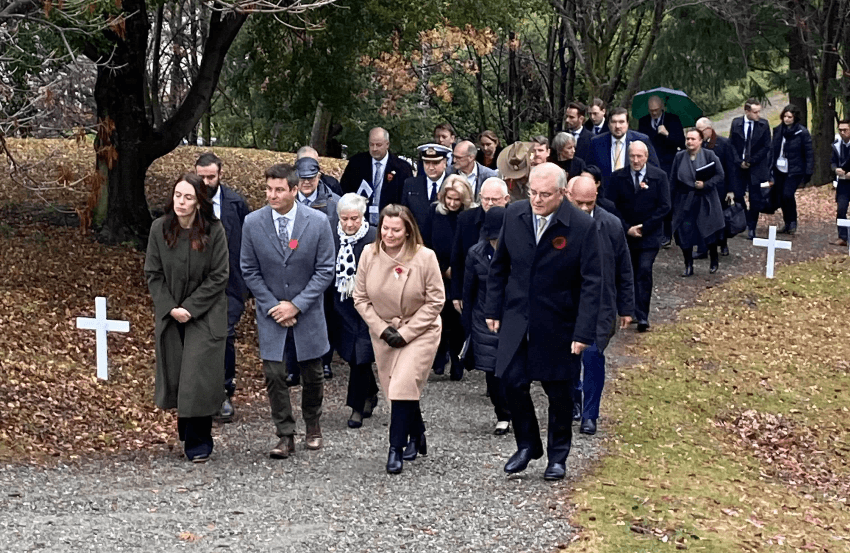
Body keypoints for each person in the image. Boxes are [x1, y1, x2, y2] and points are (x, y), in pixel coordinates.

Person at [484, 163, 603, 481]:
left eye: (545, 194)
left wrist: (583, 330)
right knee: (511, 381)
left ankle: (558, 456)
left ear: (563, 193)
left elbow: (592, 282)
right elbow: (500, 267)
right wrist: (492, 310)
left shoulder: (580, 225)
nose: (536, 199)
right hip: (518, 316)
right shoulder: (515, 214)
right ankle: (527, 444)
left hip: (559, 320)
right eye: (532, 192)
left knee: (559, 391)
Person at [240, 163, 335, 459]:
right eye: (269, 189)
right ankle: (284, 433)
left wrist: (296, 304)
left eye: (279, 190)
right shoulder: (253, 223)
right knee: (275, 373)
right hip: (271, 312)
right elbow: (249, 269)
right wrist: (273, 305)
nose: (272, 195)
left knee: (312, 372)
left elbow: (325, 270)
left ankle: (313, 424)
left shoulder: (318, 222)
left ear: (294, 190)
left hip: (307, 310)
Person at [353, 204, 445, 474]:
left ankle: (396, 447)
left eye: (396, 230)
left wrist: (405, 333)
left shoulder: (425, 257)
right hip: (383, 332)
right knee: (396, 391)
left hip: (420, 330)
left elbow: (436, 300)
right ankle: (417, 433)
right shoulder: (369, 254)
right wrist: (382, 329)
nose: (389, 235)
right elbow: (360, 298)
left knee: (403, 384)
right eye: (385, 228)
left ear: (407, 231)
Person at [144, 174, 229, 463]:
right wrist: (170, 307)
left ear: (199, 202)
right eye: (178, 195)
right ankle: (185, 431)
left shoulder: (214, 230)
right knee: (178, 372)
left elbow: (220, 275)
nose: (181, 202)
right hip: (171, 313)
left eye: (188, 197)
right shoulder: (160, 228)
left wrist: (191, 307)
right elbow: (153, 274)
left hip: (204, 313)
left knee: (198, 376)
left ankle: (199, 440)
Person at [566, 176, 634, 436]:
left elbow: (624, 268)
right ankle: (573, 398)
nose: (584, 209)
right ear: (568, 196)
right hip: (568, 304)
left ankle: (590, 414)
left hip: (601, 306)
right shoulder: (559, 223)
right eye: (579, 203)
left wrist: (626, 307)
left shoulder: (610, 224)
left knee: (593, 356)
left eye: (589, 203)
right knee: (568, 358)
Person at [194, 153, 250, 423]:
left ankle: (225, 390)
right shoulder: (186, 201)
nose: (205, 182)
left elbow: (246, 243)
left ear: (220, 175)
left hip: (230, 283)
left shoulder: (236, 203)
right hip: (197, 285)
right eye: (201, 177)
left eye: (211, 177)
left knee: (225, 335)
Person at [605, 141, 670, 332]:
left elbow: (665, 206)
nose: (635, 160)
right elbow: (611, 206)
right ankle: (628, 310)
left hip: (649, 234)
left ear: (646, 156)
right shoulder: (618, 177)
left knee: (644, 270)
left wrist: (645, 226)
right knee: (628, 272)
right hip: (626, 234)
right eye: (632, 156)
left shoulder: (659, 176)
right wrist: (626, 228)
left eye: (639, 156)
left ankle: (643, 315)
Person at [330, 194, 379, 429]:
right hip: (340, 304)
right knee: (350, 354)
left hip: (368, 304)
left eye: (354, 219)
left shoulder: (374, 237)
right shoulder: (331, 234)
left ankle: (356, 407)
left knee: (360, 354)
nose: (349, 224)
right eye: (344, 219)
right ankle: (371, 391)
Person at [462, 206, 511, 435]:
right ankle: (502, 414)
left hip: (512, 317)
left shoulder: (519, 252)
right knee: (491, 373)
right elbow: (468, 290)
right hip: (484, 319)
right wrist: (467, 323)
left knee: (513, 371)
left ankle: (515, 412)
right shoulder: (475, 254)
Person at [423, 175, 475, 379]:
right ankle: (439, 356)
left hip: (462, 275)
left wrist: (459, 270)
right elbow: (425, 243)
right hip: (437, 273)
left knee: (458, 321)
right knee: (439, 317)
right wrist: (443, 268)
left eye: (457, 199)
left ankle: (457, 360)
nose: (452, 203)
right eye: (449, 199)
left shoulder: (470, 216)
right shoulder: (434, 213)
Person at [296, 156, 340, 380]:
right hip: (295, 269)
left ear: (319, 176)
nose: (306, 183)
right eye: (302, 178)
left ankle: (325, 360)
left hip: (325, 269)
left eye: (310, 178)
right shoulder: (288, 200)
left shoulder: (334, 203)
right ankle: (295, 365)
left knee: (326, 315)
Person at [449, 178, 511, 317]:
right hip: (472, 287)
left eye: (495, 199)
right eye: (486, 199)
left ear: (506, 198)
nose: (489, 203)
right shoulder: (466, 219)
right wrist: (456, 293)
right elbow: (457, 258)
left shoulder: (516, 218)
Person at [670, 129, 726, 276]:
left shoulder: (709, 155)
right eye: (687, 139)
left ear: (700, 141)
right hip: (684, 200)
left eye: (693, 139)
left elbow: (720, 175)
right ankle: (688, 265)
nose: (689, 142)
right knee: (684, 233)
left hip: (704, 199)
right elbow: (673, 180)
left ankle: (714, 259)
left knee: (708, 232)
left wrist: (706, 184)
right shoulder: (679, 156)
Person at [339, 127, 413, 225]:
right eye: (371, 144)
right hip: (359, 221)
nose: (374, 149)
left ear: (387, 144)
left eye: (378, 145)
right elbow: (344, 192)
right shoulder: (356, 163)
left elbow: (405, 201)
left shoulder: (402, 168)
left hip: (390, 223)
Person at [728, 98, 772, 239]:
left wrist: (751, 161)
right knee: (738, 193)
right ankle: (746, 218)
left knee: (755, 197)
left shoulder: (763, 125)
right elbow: (732, 143)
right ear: (747, 111)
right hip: (739, 165)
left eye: (759, 111)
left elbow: (766, 146)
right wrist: (738, 160)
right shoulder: (736, 123)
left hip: (756, 166)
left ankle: (752, 226)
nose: (757, 114)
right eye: (755, 112)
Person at [587, 107, 660, 192]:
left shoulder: (641, 140)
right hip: (605, 195)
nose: (617, 126)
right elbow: (590, 169)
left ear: (627, 123)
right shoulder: (596, 142)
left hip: (634, 194)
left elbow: (655, 169)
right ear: (608, 124)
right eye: (614, 122)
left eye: (621, 122)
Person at [769, 104, 813, 235]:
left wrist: (808, 170)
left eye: (790, 117)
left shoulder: (802, 132)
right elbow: (773, 149)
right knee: (781, 196)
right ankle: (787, 223)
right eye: (785, 116)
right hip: (779, 168)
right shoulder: (778, 130)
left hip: (794, 169)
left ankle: (792, 221)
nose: (787, 119)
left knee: (788, 194)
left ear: (795, 118)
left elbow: (809, 152)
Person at [695, 117, 736, 256]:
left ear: (708, 129)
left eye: (700, 131)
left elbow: (730, 168)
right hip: (703, 187)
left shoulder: (724, 143)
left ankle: (723, 244)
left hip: (720, 187)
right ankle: (703, 248)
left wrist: (731, 190)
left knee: (720, 217)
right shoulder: (698, 145)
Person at [401, 143, 450, 235]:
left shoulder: (453, 184)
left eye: (436, 163)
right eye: (427, 162)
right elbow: (405, 215)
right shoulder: (411, 184)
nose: (430, 167)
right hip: (417, 242)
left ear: (445, 163)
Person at [831, 119, 850, 247]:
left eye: (845, 130)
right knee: (841, 209)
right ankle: (842, 236)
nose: (842, 132)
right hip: (843, 183)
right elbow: (832, 162)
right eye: (840, 130)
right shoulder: (837, 144)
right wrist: (835, 169)